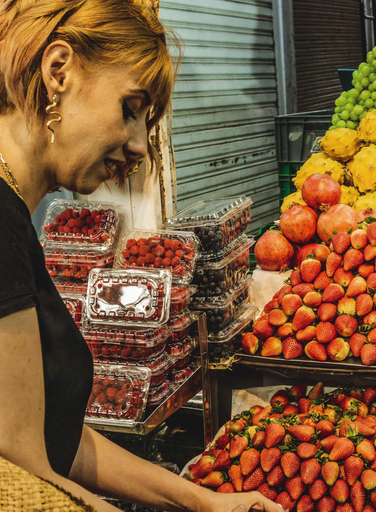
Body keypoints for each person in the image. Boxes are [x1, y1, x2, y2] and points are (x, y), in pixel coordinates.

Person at [0, 1, 283, 511]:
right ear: (58, 70)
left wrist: (202, 502)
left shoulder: (18, 219)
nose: (138, 147)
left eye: (147, 124)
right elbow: (26, 482)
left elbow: (57, 440)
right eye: (131, 109)